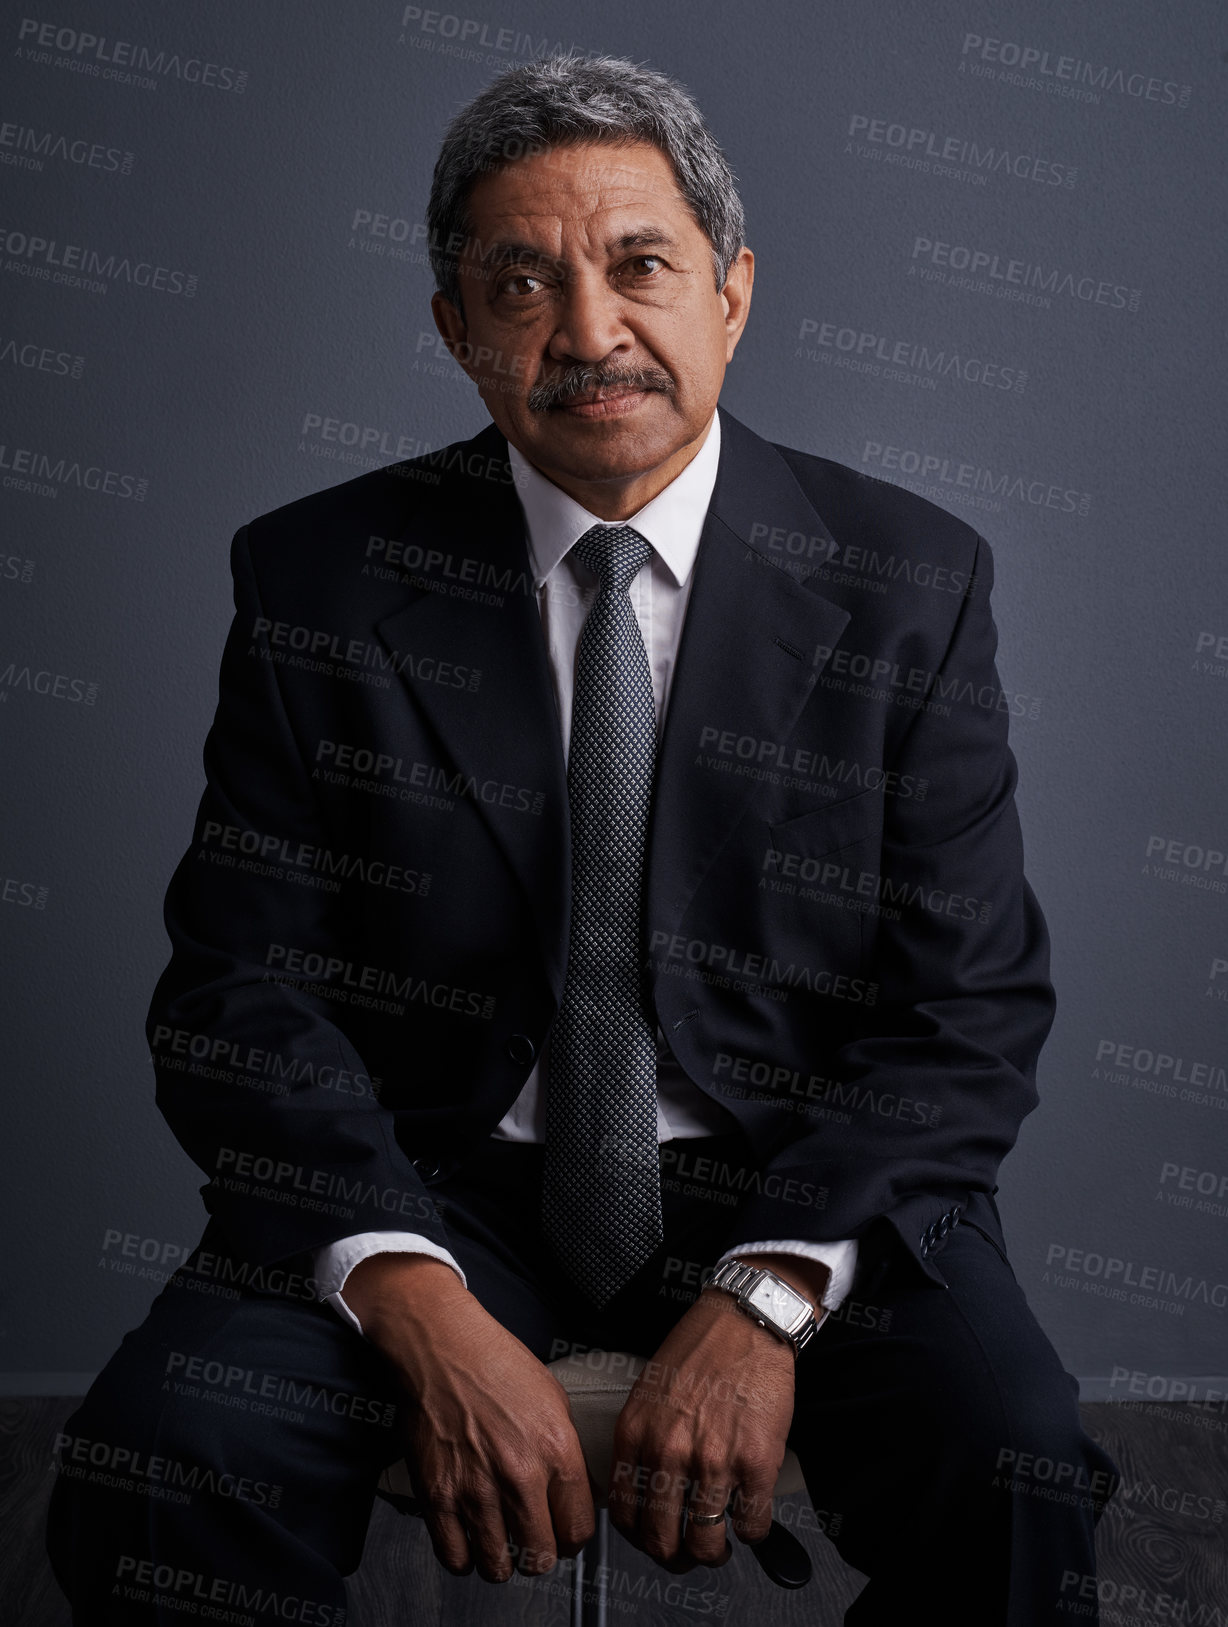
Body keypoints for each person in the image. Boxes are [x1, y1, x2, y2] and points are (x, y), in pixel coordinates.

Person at [47, 49, 1119, 1625]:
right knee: (161, 1460)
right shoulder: (320, 577)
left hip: (797, 1172)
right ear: (458, 333)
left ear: (733, 292)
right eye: (522, 283)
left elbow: (968, 1010)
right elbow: (235, 991)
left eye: (641, 268)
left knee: (1014, 1470)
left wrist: (764, 1296)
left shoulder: (909, 579)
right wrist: (408, 1287)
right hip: (433, 1181)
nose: (590, 331)